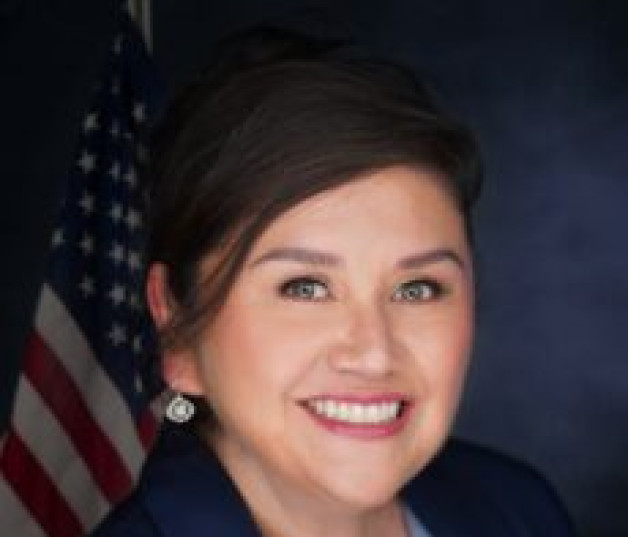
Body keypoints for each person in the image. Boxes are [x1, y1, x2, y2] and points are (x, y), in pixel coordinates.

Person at [90, 26, 576, 537]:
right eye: (305, 288)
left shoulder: (518, 508)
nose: (374, 354)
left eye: (417, 289)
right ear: (178, 329)